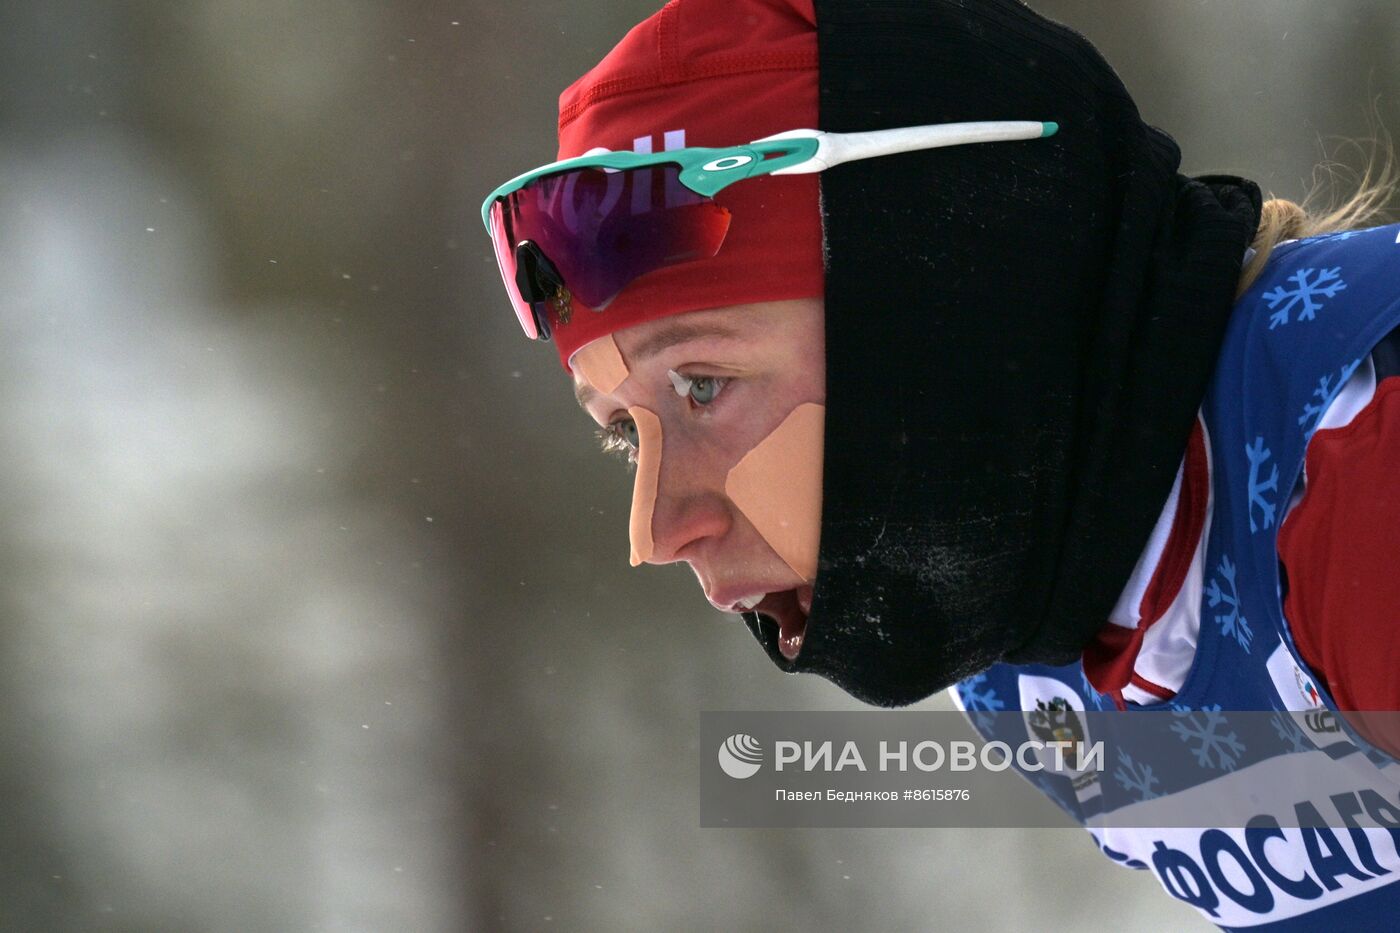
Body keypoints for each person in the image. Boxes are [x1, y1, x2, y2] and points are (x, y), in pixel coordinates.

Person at [481, 0, 1400, 926]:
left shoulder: (1359, 463)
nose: (661, 528)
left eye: (706, 385)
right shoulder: (1022, 635)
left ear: (951, 297)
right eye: (624, 433)